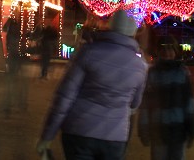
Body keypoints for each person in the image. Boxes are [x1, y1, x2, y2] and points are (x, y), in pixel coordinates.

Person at [36, 10, 148, 160]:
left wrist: (47, 136)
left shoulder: (88, 52)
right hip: (115, 137)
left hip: (80, 132)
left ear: (110, 26)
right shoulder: (140, 65)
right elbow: (135, 103)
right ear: (134, 32)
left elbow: (65, 97)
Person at [138, 35, 194, 160]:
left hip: (178, 130)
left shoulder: (182, 72)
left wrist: (192, 128)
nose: (167, 52)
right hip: (158, 131)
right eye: (163, 48)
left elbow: (189, 103)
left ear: (175, 51)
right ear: (158, 51)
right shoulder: (153, 73)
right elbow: (145, 104)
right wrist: (143, 128)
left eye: (170, 49)